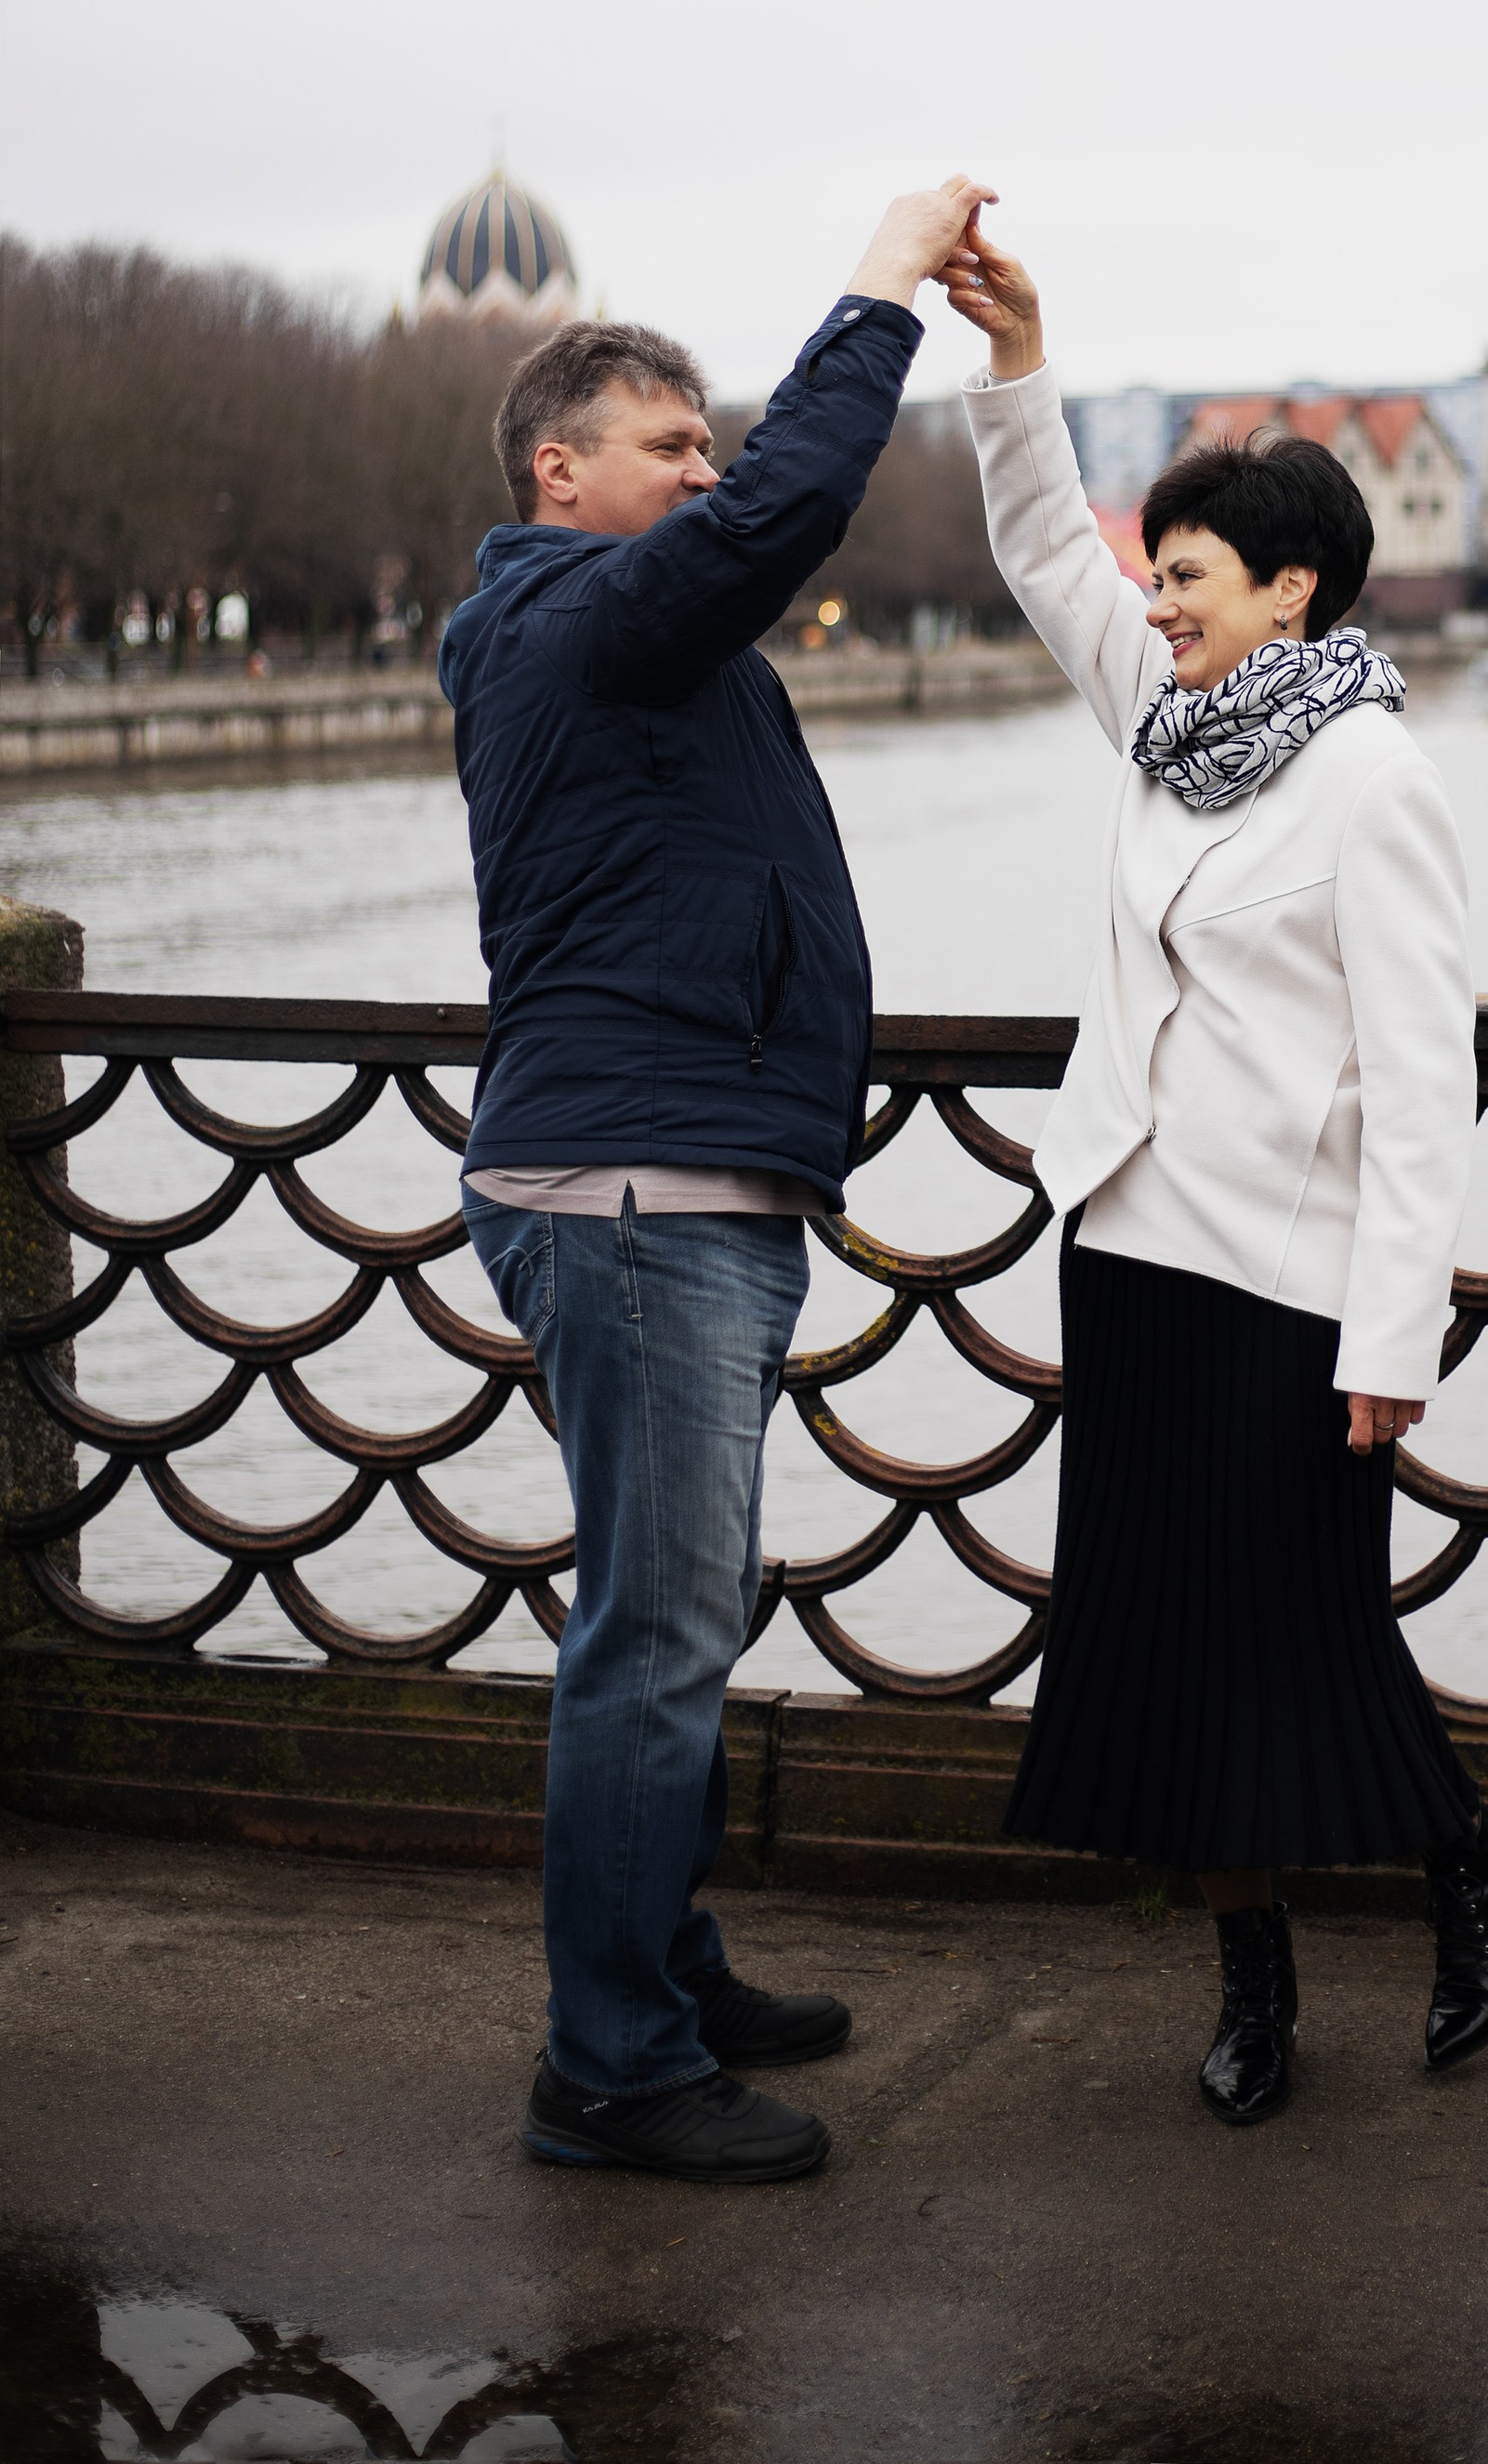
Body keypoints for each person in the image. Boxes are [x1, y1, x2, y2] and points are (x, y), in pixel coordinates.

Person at [942, 218, 1488, 2130]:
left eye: (1187, 574)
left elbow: (1422, 1078)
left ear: (1290, 589)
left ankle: (1467, 1866)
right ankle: (1252, 1990)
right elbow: (1042, 544)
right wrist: (1020, 353)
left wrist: (1396, 1331)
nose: (1154, 598)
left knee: (1300, 1634)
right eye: (1157, 572)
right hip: (1126, 1251)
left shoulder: (1372, 781)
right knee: (1157, 1641)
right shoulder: (1163, 733)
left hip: (1289, 1292)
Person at [442, 174, 991, 2186]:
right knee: (653, 1639)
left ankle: (658, 1967)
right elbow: (789, 512)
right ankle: (610, 2066)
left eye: (705, 439)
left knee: (665, 1614)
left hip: (668, 1174)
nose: (705, 471)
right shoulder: (582, 609)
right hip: (636, 1189)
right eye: (668, 446)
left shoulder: (602, 630)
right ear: (555, 470)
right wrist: (879, 290)